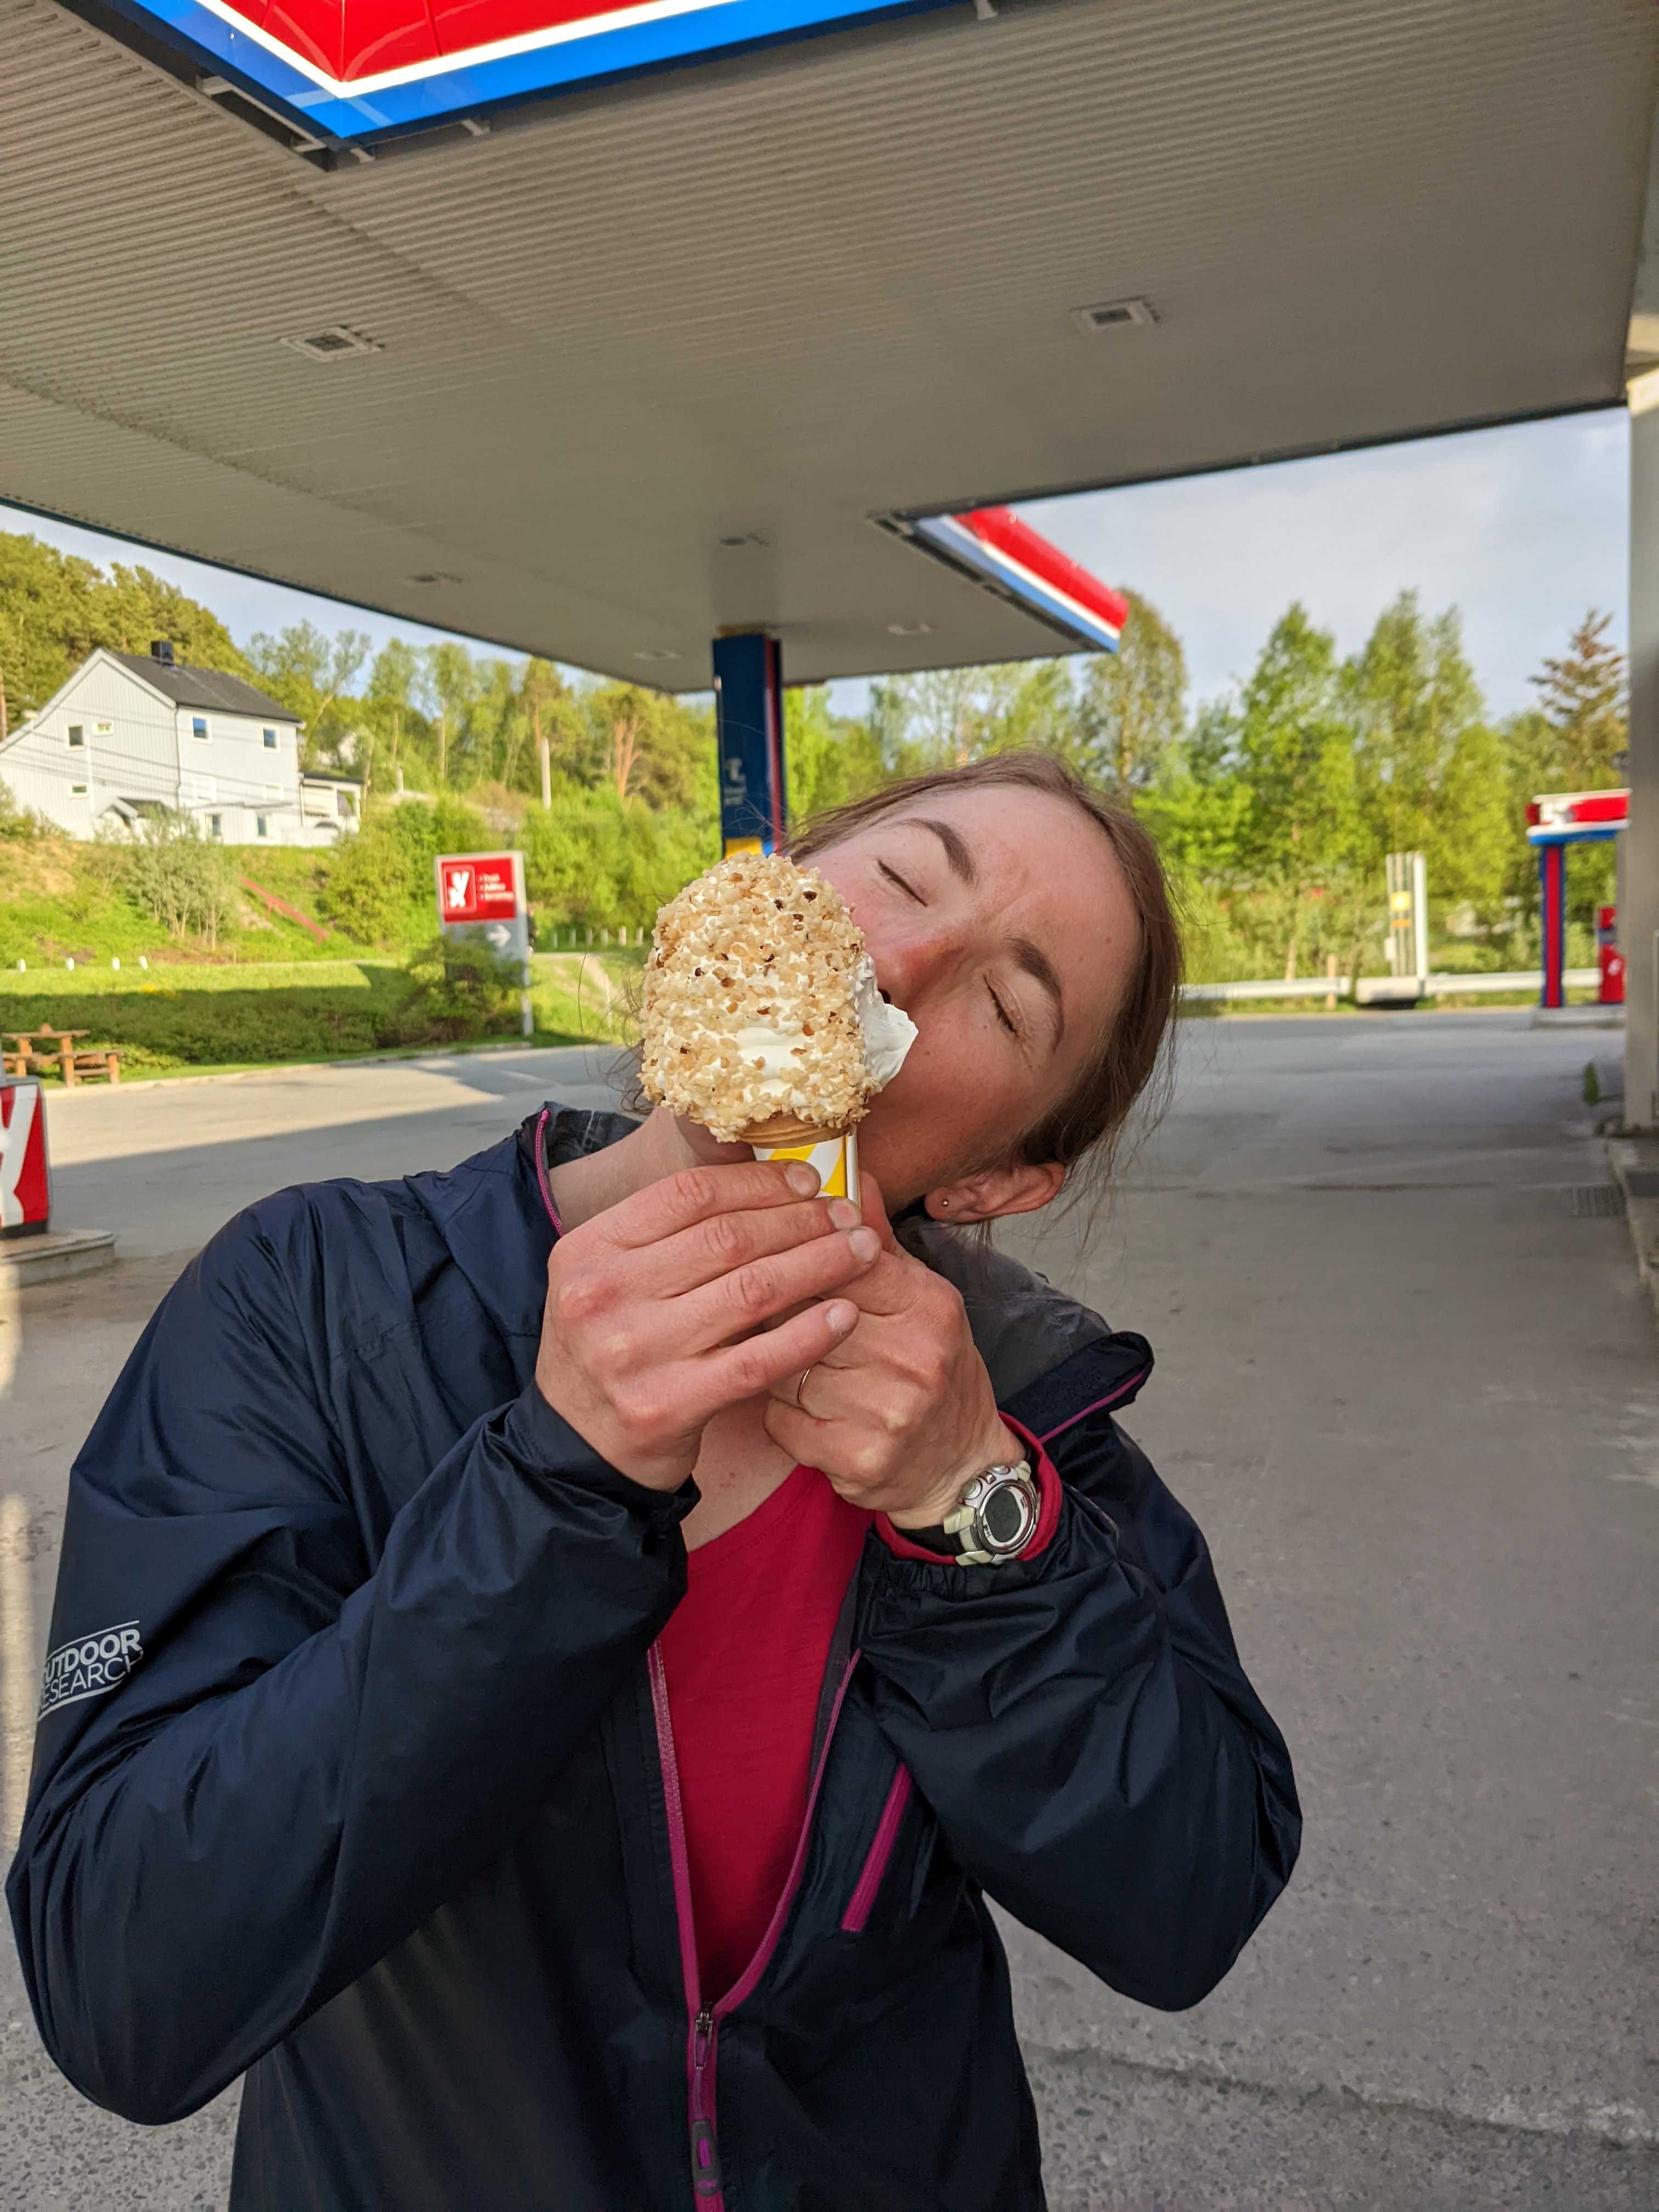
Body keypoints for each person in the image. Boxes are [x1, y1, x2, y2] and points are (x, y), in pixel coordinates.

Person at [8, 752, 1300, 2211]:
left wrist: (971, 1507)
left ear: (1000, 1179)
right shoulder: (312, 1300)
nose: (900, 956)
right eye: (899, 875)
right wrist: (557, 1485)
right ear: (764, 892)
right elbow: (121, 1983)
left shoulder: (1023, 1411)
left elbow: (1190, 1906)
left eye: (1005, 1002)